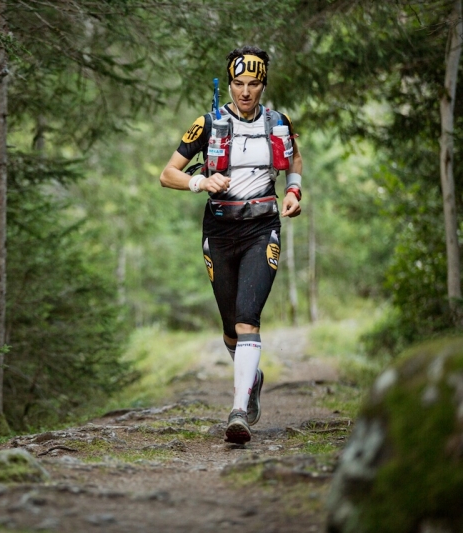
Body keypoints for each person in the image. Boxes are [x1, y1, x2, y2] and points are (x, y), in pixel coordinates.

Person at [159, 46, 303, 444]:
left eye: (253, 84)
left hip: (262, 228)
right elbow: (167, 173)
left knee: (247, 318)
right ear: (230, 83)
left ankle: (238, 410)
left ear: (263, 84)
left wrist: (293, 191)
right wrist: (200, 181)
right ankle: (251, 377)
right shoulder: (207, 123)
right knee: (229, 331)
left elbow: (295, 160)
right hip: (219, 231)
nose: (245, 91)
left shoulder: (279, 122)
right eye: (238, 83)